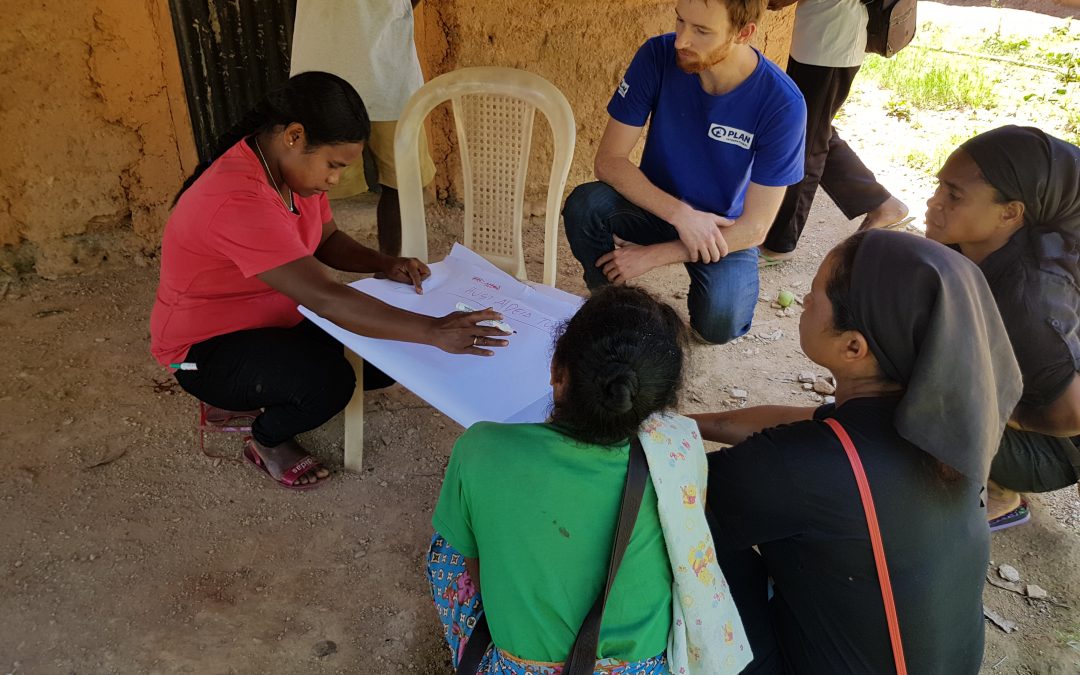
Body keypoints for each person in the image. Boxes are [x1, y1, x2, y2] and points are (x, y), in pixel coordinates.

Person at [150, 72, 509, 490]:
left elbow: (327, 239)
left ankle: (252, 387)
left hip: (270, 326)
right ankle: (266, 439)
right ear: (294, 136)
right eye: (334, 166)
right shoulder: (237, 197)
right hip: (196, 353)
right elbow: (324, 297)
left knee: (380, 359)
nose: (335, 180)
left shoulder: (293, 175)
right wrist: (432, 330)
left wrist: (384, 261)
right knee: (329, 383)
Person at [691, 230, 1022, 673]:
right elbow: (808, 419)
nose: (804, 303)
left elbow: (668, 489)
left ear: (853, 347)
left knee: (683, 530)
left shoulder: (794, 467)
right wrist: (689, 424)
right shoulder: (943, 426)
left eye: (813, 296)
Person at [425, 286, 752, 674]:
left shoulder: (481, 447)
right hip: (641, 667)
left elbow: (475, 563)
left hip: (518, 664)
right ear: (659, 404)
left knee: (448, 545)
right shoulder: (680, 447)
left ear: (557, 374)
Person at [562, 0, 806, 345]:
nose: (681, 40)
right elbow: (609, 161)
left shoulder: (783, 104)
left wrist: (654, 255)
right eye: (680, 21)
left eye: (702, 31)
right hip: (654, 204)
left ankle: (696, 300)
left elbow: (755, 227)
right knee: (585, 204)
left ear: (744, 33)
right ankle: (609, 304)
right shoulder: (657, 55)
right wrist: (681, 215)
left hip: (722, 230)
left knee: (720, 324)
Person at [925, 125, 1080, 529]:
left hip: (1054, 452)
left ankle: (999, 490)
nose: (933, 202)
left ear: (1010, 212)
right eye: (940, 186)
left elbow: (1074, 414)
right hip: (1028, 414)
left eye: (953, 196)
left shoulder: (1029, 301)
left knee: (907, 400)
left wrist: (1002, 411)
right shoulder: (973, 248)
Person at [757, 0, 909, 264]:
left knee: (806, 144)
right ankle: (882, 203)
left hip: (829, 46)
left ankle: (781, 243)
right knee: (812, 132)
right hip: (817, 40)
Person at [290, 0, 437, 256]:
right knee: (308, 184)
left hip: (386, 73)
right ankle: (307, 270)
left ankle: (391, 267)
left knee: (401, 182)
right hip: (330, 70)